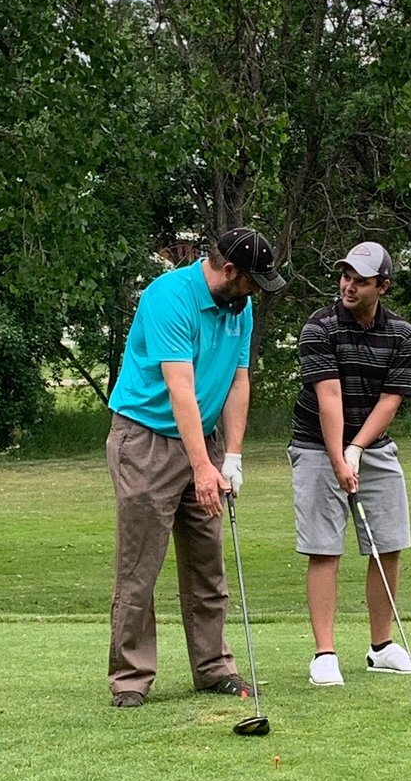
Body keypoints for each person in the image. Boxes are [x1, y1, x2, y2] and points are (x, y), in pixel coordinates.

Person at [106, 227, 286, 708]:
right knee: (141, 563)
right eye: (252, 281)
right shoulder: (169, 297)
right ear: (229, 271)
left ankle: (213, 667)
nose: (255, 294)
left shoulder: (239, 307)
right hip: (145, 439)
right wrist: (202, 467)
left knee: (208, 561)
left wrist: (232, 457)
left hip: (201, 439)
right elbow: (180, 388)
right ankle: (130, 677)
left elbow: (237, 382)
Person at [288, 241, 411, 686]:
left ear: (382, 287)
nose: (349, 286)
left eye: (361, 281)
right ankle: (324, 655)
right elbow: (328, 397)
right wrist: (338, 456)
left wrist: (357, 449)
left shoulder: (403, 334)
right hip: (315, 444)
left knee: (387, 543)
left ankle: (382, 648)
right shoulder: (320, 327)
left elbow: (390, 401)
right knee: (323, 546)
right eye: (345, 276)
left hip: (374, 444)